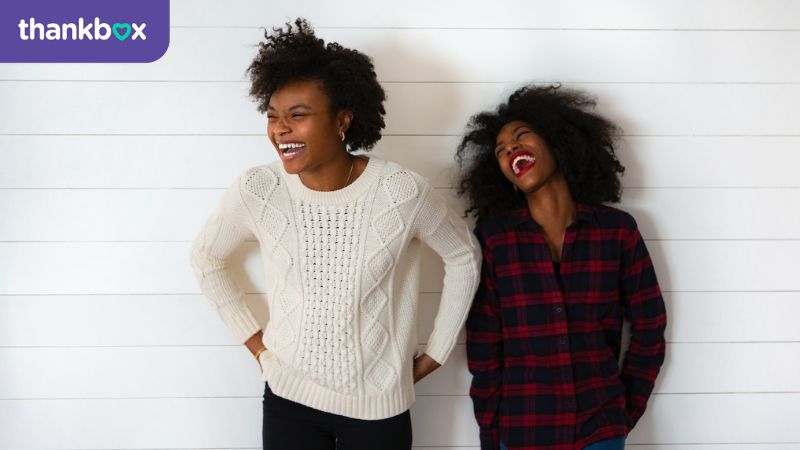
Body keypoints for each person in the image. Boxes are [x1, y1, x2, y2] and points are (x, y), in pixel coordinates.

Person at [190, 18, 481, 450]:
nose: (280, 130)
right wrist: (257, 346)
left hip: (378, 407)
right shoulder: (259, 189)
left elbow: (464, 256)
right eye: (272, 117)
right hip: (288, 397)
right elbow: (206, 258)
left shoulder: (402, 192)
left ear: (342, 119)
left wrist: (437, 351)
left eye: (297, 115)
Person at [457, 85, 667, 450]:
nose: (511, 150)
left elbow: (650, 326)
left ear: (557, 140)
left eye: (521, 137)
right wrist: (492, 435)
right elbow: (485, 349)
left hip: (600, 428)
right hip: (523, 432)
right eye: (501, 150)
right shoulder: (495, 240)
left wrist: (621, 411)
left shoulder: (617, 232)